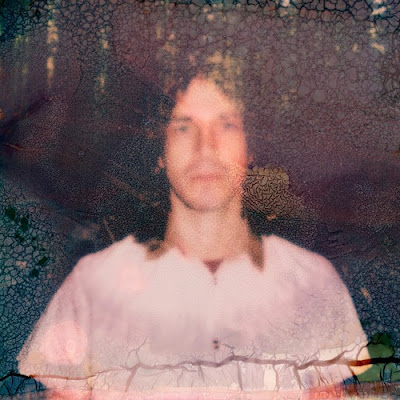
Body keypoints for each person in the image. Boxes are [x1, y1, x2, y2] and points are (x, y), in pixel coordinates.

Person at [17, 70, 371, 399]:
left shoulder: (311, 282)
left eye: (227, 125)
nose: (206, 147)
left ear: (250, 148)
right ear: (160, 150)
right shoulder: (92, 285)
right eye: (184, 127)